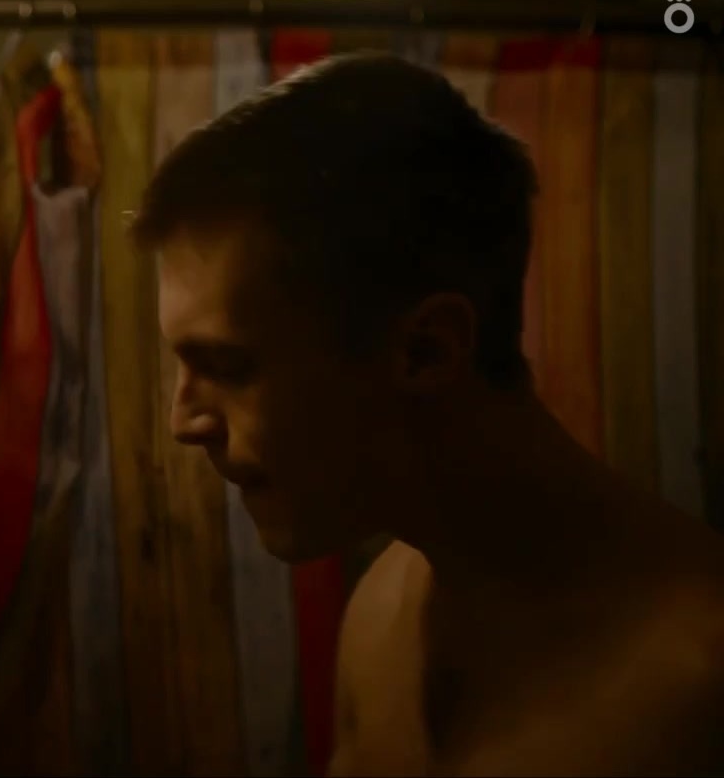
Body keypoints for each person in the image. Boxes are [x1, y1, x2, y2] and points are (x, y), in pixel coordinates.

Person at [138, 51, 724, 775]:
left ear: (426, 350)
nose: (183, 421)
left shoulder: (699, 683)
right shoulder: (382, 614)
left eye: (229, 366)